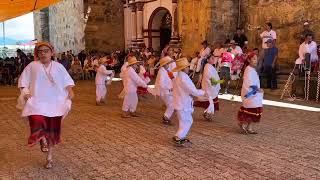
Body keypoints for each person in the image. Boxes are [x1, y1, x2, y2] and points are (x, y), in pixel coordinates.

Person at [18, 42, 75, 169]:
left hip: (55, 102)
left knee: (52, 131)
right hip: (38, 101)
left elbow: (67, 80)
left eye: (46, 51)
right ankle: (41, 138)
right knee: (36, 119)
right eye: (40, 51)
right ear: (37, 54)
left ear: (51, 53)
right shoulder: (32, 66)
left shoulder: (58, 66)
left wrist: (70, 90)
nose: (43, 53)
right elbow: (23, 82)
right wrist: (26, 93)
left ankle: (49, 157)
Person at [172, 58, 205, 146]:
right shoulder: (183, 78)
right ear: (183, 68)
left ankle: (179, 136)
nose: (188, 68)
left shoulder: (179, 76)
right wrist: (203, 91)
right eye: (187, 67)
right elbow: (193, 91)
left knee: (184, 121)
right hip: (183, 104)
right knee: (188, 121)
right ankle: (178, 137)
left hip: (180, 102)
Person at [237, 52, 264, 134]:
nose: (256, 61)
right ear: (249, 60)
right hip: (251, 94)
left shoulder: (252, 69)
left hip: (255, 94)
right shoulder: (248, 70)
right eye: (254, 59)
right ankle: (242, 123)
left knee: (254, 110)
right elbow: (249, 83)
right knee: (251, 110)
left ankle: (249, 127)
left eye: (256, 59)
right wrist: (257, 89)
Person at [193, 56, 221, 121]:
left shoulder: (210, 66)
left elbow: (214, 76)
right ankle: (207, 113)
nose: (213, 59)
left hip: (212, 87)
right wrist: (214, 81)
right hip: (209, 87)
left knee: (210, 101)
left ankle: (207, 113)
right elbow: (208, 76)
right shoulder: (207, 66)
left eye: (214, 58)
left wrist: (217, 81)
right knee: (207, 101)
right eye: (212, 58)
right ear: (208, 60)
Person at [154, 57, 175, 125]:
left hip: (168, 91)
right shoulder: (162, 71)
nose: (169, 64)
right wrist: (169, 88)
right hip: (165, 92)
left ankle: (166, 117)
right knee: (171, 105)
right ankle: (166, 117)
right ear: (165, 64)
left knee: (171, 104)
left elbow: (171, 78)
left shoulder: (166, 70)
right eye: (168, 63)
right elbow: (161, 83)